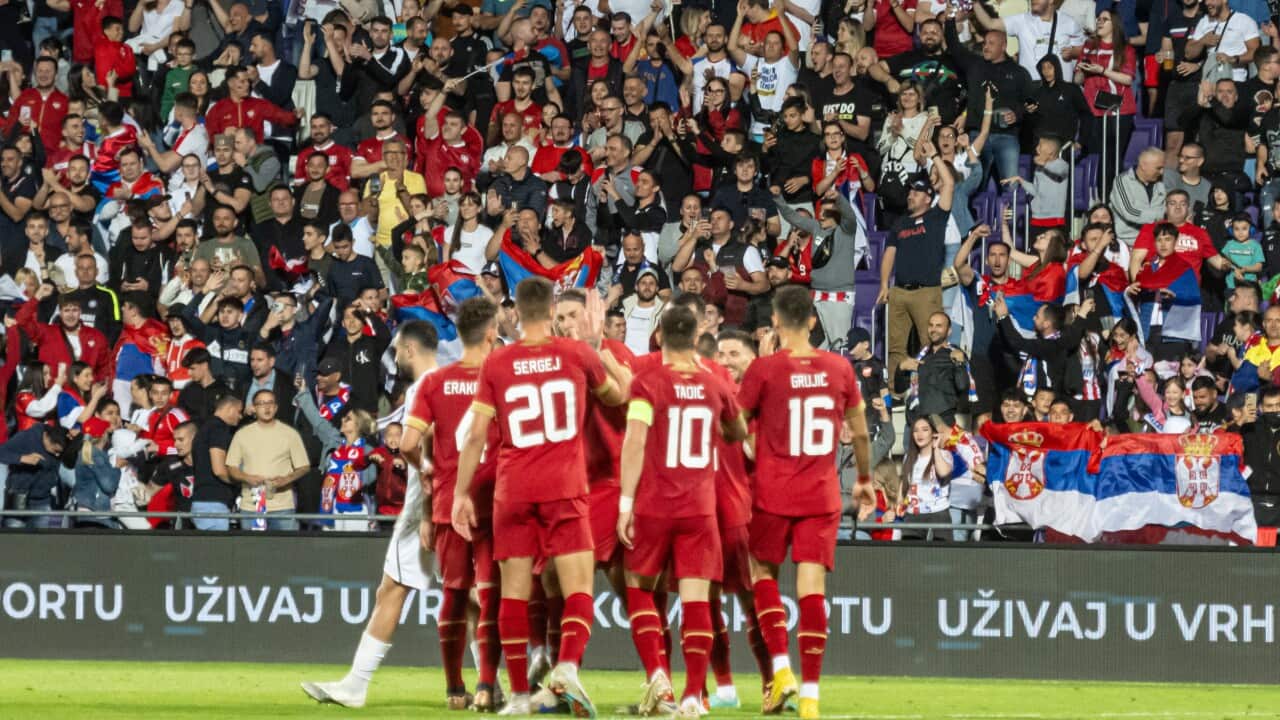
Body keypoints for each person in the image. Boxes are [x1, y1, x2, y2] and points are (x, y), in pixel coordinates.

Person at [452, 278, 626, 716]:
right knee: (578, 588)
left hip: (513, 490)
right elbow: (620, 395)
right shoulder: (577, 354)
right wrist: (597, 342)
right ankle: (566, 665)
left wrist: (461, 494)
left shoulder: (496, 364)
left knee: (513, 594)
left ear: (515, 314)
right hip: (565, 487)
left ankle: (516, 697)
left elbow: (475, 437)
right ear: (552, 312)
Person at [736, 285, 870, 718]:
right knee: (812, 588)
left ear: (775, 321)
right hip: (820, 492)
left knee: (762, 575)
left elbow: (733, 424)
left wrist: (749, 444)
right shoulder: (839, 368)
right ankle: (811, 694)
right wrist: (865, 478)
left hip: (773, 491)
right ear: (813, 321)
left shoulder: (764, 369)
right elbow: (862, 432)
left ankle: (781, 670)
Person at [617, 304, 748, 718]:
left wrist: (625, 503)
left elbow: (635, 440)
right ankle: (694, 696)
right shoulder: (715, 384)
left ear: (658, 337)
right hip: (699, 508)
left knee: (638, 588)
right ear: (695, 340)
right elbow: (739, 430)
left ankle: (658, 675)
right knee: (697, 601)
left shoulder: (647, 381)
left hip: (655, 505)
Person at [301, 321, 440, 709]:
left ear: (410, 350)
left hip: (423, 505)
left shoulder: (422, 390)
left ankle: (356, 685)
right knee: (473, 595)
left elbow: (416, 446)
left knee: (393, 588)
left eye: (396, 350)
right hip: (456, 498)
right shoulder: (454, 383)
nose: (393, 357)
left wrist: (427, 493)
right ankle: (502, 681)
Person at [880, 164, 955, 382]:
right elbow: (889, 253)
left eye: (916, 192)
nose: (910, 195)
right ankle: (895, 392)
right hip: (900, 292)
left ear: (928, 198)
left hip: (926, 292)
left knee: (929, 343)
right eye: (910, 191)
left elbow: (949, 183)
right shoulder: (900, 222)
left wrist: (934, 156)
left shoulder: (936, 217)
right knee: (895, 346)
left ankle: (929, 390)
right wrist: (884, 284)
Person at [189, 394, 243, 531]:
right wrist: (241, 482)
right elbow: (219, 470)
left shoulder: (204, 429)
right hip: (212, 504)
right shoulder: (218, 429)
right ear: (230, 408)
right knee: (216, 551)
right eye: (239, 411)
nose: (240, 416)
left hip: (203, 501)